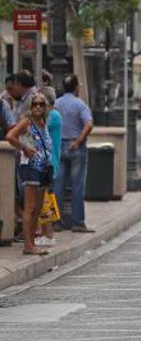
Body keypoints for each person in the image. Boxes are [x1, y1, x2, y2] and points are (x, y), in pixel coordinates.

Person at [6, 92, 54, 255]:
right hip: (30, 168)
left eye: (41, 104)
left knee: (38, 208)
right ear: (30, 107)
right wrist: (24, 148)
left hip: (43, 169)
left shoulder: (43, 122)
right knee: (30, 207)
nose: (38, 107)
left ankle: (32, 242)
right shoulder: (26, 122)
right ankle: (28, 245)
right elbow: (10, 136)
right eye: (35, 104)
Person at [54, 75, 94, 233]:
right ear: (76, 87)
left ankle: (56, 221)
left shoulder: (56, 104)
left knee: (58, 186)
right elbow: (89, 124)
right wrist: (78, 141)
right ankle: (77, 222)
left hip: (59, 146)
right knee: (77, 186)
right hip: (76, 147)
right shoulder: (80, 104)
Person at [34, 87, 62, 245]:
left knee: (45, 199)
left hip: (49, 162)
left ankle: (48, 234)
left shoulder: (54, 116)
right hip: (46, 162)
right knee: (42, 198)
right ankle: (44, 233)